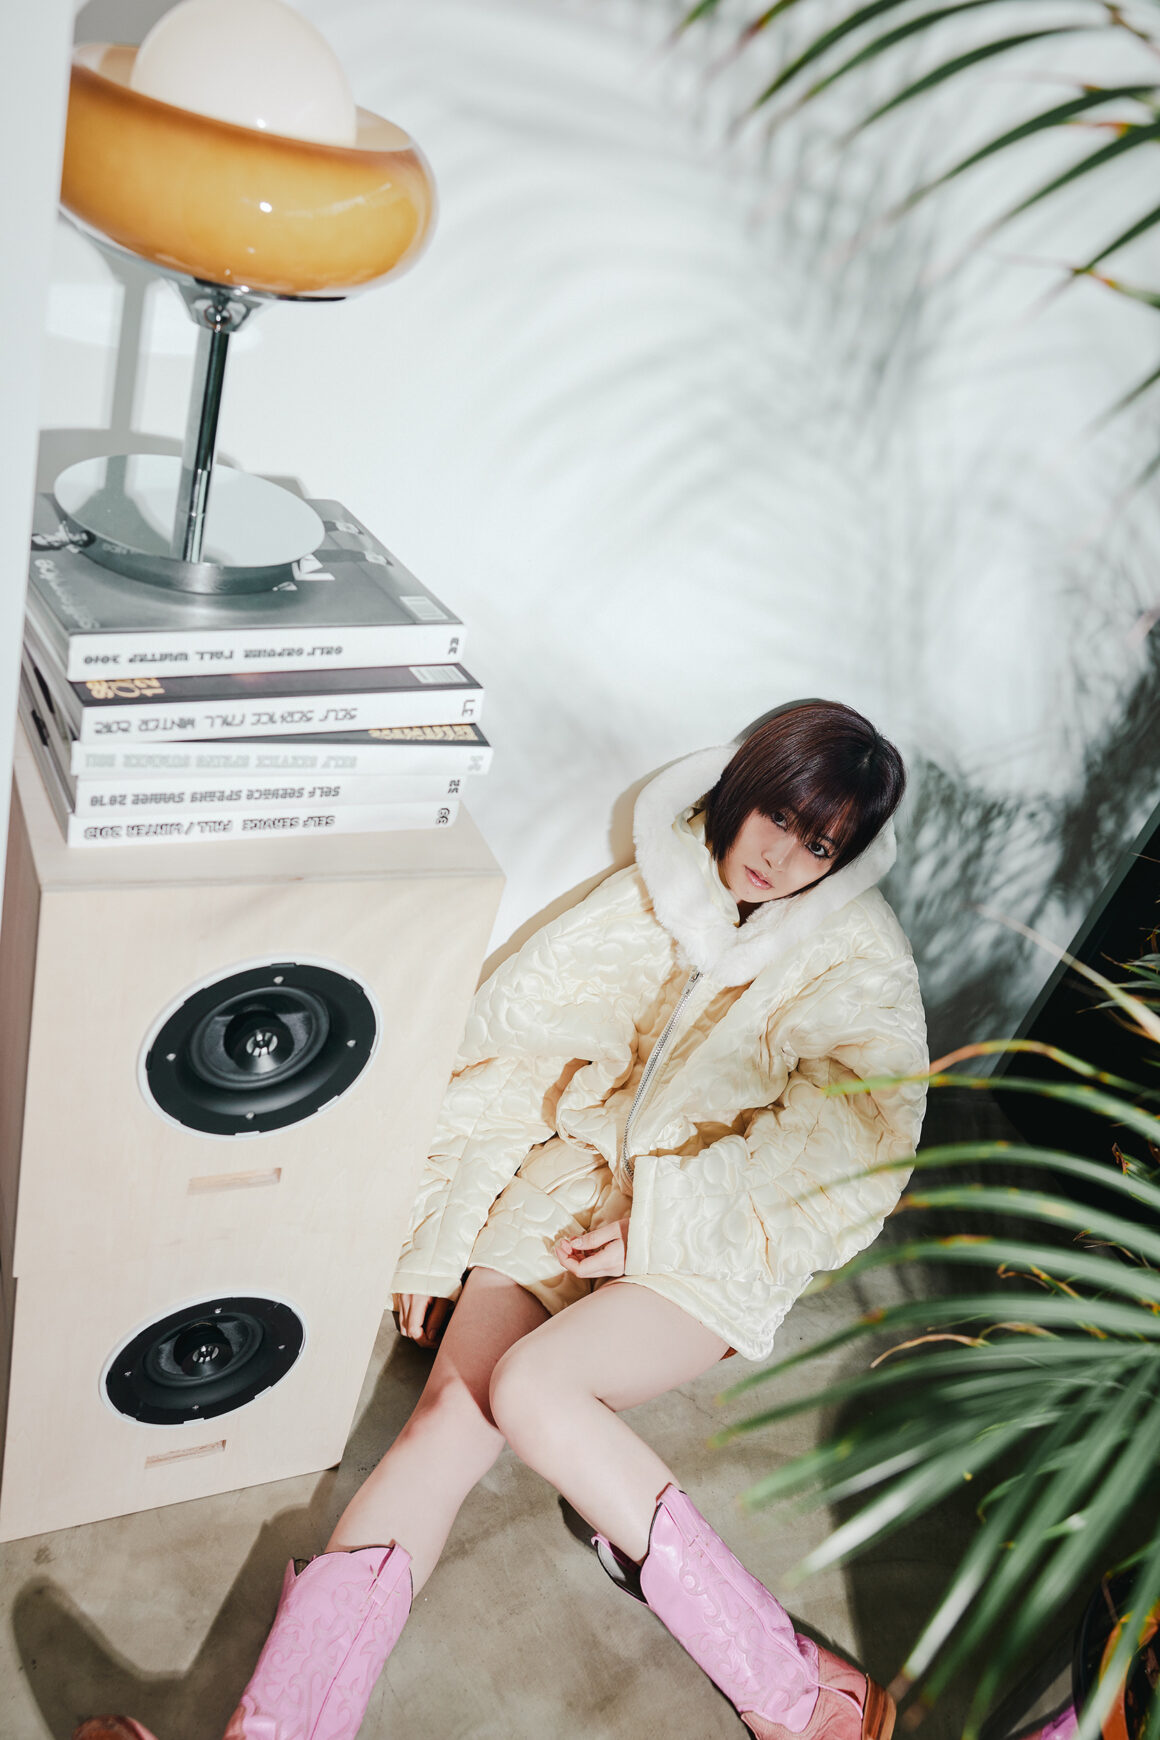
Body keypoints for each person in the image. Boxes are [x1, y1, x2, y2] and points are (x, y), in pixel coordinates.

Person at [78, 699, 928, 1740]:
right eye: (780, 817)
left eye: (820, 846)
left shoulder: (854, 956)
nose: (782, 858)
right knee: (444, 1420)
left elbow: (855, 1150)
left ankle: (805, 1700)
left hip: (711, 1234)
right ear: (745, 786)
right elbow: (507, 1062)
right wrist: (442, 1234)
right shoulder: (648, 896)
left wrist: (661, 1218)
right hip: (562, 1193)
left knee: (533, 1387)